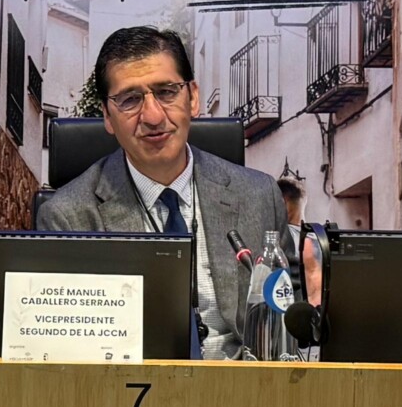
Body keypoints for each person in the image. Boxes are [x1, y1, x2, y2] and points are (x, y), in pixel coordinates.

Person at [35, 25, 287, 358]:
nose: (153, 117)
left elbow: (283, 323)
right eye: (130, 100)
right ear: (107, 116)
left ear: (193, 98)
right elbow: (69, 350)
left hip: (245, 384)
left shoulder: (259, 195)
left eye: (167, 92)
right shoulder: (68, 218)